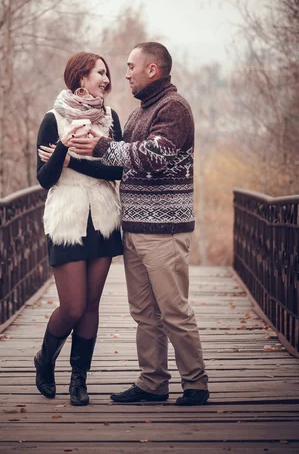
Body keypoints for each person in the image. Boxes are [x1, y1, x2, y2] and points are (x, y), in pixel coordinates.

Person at [69, 42, 210, 406]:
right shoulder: (140, 112)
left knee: (173, 310)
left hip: (164, 231)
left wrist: (99, 146)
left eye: (131, 66)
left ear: (153, 69)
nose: (125, 73)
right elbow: (120, 161)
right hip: (135, 227)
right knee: (144, 313)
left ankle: (195, 383)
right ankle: (152, 382)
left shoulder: (174, 108)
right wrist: (68, 156)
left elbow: (152, 156)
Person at [35, 51, 123, 407]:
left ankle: (79, 380)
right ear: (80, 77)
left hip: (103, 219)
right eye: (99, 72)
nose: (106, 78)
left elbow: (118, 171)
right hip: (68, 220)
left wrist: (75, 162)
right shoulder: (52, 118)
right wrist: (63, 150)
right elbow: (44, 179)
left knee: (90, 307)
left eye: (107, 73)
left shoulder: (111, 119)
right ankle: (44, 359)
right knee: (72, 307)